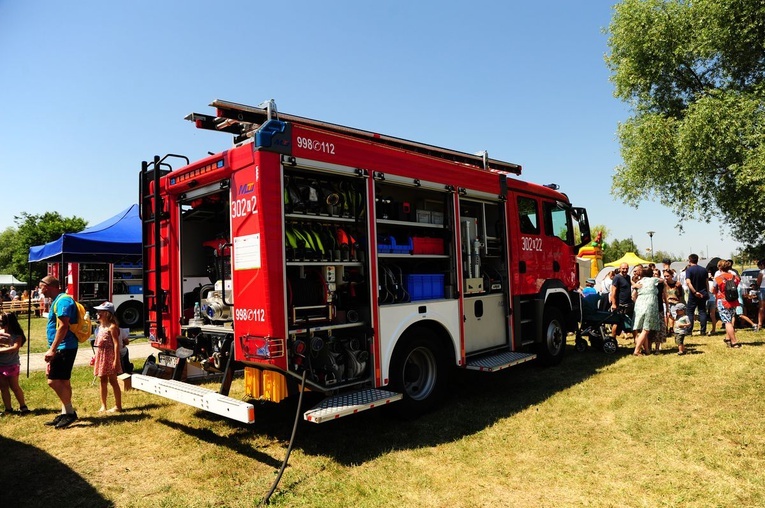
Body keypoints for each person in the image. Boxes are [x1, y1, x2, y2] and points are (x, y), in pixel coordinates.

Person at [40, 275, 79, 429]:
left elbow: (63, 326)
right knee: (63, 381)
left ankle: (70, 413)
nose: (39, 289)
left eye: (40, 286)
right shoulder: (58, 301)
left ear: (48, 286)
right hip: (62, 347)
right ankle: (65, 412)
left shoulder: (63, 301)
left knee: (53, 381)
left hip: (64, 347)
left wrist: (52, 349)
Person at [92, 302, 123, 412]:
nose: (98, 313)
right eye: (98, 311)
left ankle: (118, 406)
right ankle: (103, 405)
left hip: (109, 356)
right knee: (102, 380)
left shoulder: (112, 327)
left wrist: (115, 359)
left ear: (107, 313)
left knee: (113, 381)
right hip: (101, 355)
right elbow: (99, 344)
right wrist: (95, 357)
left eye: (101, 311)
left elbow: (116, 344)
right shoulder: (100, 327)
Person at [0, 312, 29, 415]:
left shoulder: (17, 335)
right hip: (0, 365)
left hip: (12, 364)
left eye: (2, 322)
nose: (1, 324)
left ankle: (23, 406)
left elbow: (15, 347)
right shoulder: (1, 333)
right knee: (3, 388)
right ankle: (8, 408)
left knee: (15, 387)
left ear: (9, 322)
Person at [631, 267, 661, 356]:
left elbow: (633, 293)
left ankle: (647, 350)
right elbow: (662, 280)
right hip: (650, 304)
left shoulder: (639, 282)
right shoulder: (653, 280)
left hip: (639, 304)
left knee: (643, 329)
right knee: (646, 329)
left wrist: (634, 284)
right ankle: (636, 350)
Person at [714, 260, 742, 348]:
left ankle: (734, 342)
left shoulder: (718, 278)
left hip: (723, 301)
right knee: (731, 318)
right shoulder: (735, 277)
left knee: (727, 322)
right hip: (733, 300)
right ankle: (727, 338)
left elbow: (713, 290)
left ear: (719, 267)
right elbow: (737, 285)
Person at [684, 254, 709, 336]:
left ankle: (689, 330)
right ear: (697, 260)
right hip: (703, 293)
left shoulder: (689, 270)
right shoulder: (704, 270)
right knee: (702, 311)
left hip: (693, 294)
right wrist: (707, 292)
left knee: (690, 312)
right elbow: (706, 283)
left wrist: (695, 292)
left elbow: (688, 282)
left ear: (689, 260)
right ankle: (703, 331)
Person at [610, 263, 634, 341]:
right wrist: (613, 304)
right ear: (620, 269)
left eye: (626, 268)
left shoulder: (628, 277)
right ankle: (613, 340)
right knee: (616, 322)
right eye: (623, 268)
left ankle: (636, 341)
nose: (625, 270)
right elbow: (613, 291)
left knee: (633, 323)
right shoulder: (617, 278)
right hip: (619, 305)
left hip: (628, 304)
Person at [756, 259, 765, 332]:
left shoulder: (762, 272)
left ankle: (760, 324)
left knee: (761, 308)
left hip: (763, 289)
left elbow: (758, 282)